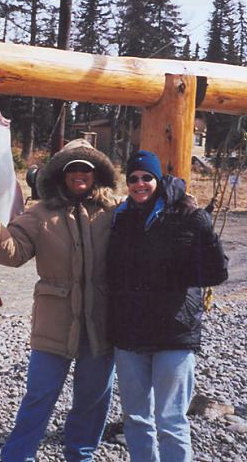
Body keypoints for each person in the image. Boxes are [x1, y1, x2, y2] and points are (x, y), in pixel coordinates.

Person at [0, 138, 119, 462]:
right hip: (54, 323)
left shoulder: (114, 211)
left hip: (100, 324)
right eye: (72, 168)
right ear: (60, 175)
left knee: (94, 400)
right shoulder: (39, 213)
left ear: (96, 174)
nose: (79, 173)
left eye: (86, 168)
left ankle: (81, 456)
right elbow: (13, 252)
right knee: (39, 397)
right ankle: (17, 457)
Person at [107, 150, 228, 462]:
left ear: (157, 179)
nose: (139, 183)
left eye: (146, 177)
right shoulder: (121, 217)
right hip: (130, 334)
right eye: (133, 178)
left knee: (171, 420)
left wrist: (203, 227)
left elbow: (217, 272)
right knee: (136, 418)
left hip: (174, 332)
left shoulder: (185, 214)